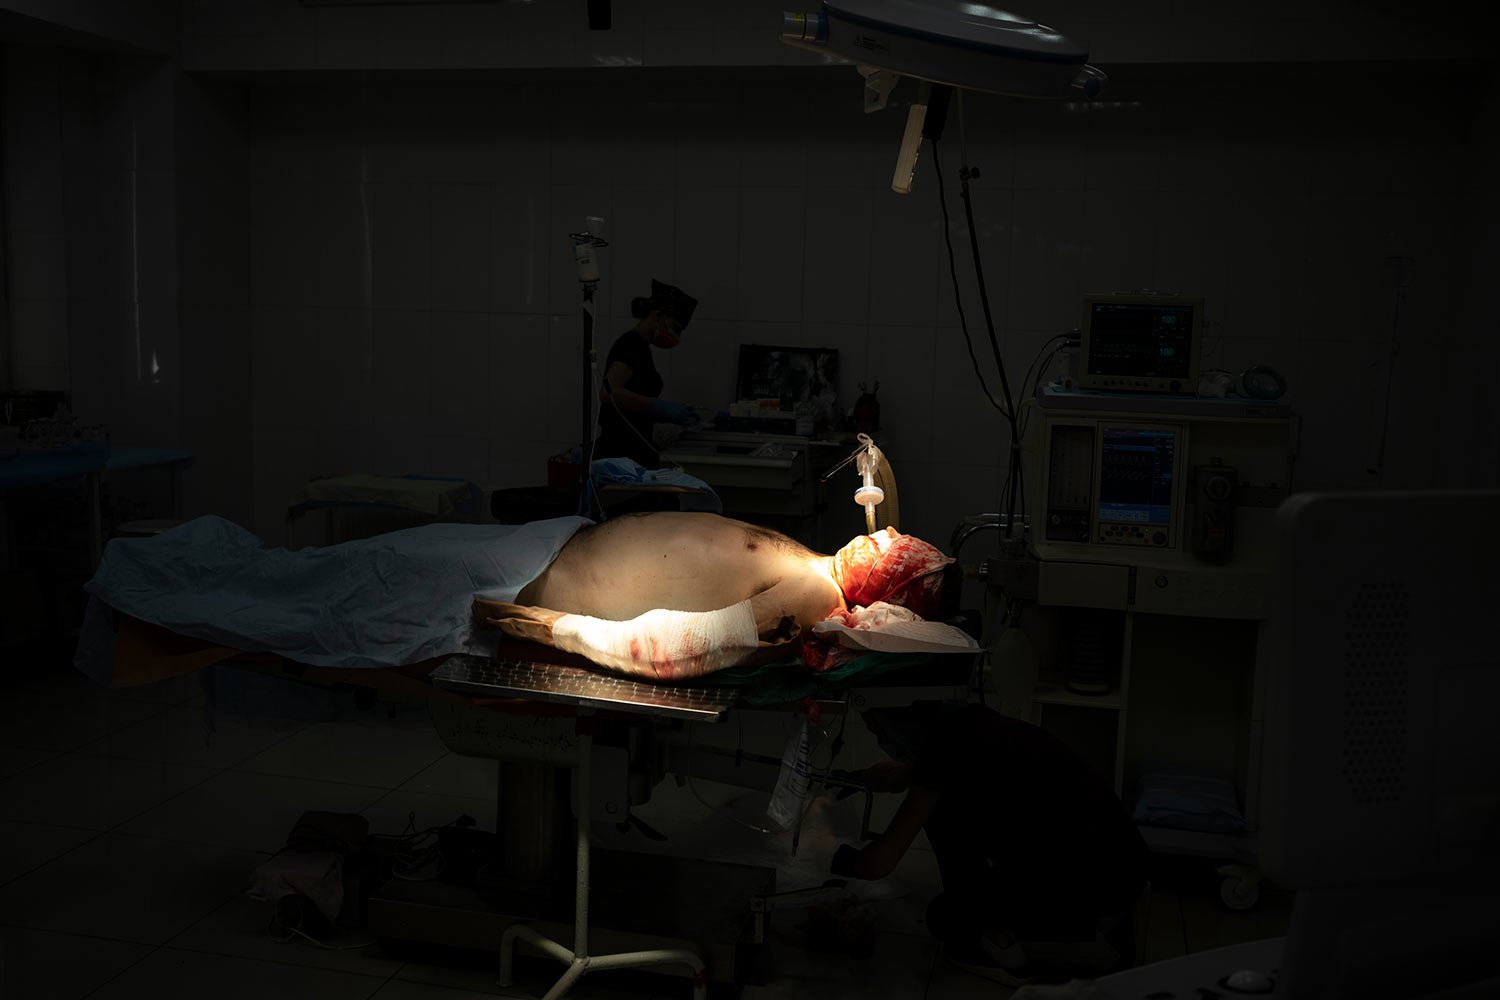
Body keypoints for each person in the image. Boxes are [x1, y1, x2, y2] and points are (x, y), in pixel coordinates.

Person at [828, 702, 1150, 983]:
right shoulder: (968, 723)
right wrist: (857, 778)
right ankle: (1082, 924)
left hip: (1098, 888)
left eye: (876, 730)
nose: (881, 740)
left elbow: (879, 864)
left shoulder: (942, 752)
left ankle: (1003, 939)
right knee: (947, 806)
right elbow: (904, 774)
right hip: (1123, 864)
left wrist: (831, 857)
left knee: (945, 918)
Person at [477, 515, 957, 681]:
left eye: (894, 550)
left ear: (884, 593)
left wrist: (553, 627)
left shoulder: (818, 593)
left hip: (536, 583)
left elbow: (682, 647)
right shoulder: (818, 563)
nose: (885, 534)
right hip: (551, 547)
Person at [594, 279, 701, 468]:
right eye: (675, 327)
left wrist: (664, 414)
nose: (676, 337)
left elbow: (633, 395)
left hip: (633, 447)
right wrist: (657, 407)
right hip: (621, 449)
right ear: (658, 315)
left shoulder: (641, 348)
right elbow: (608, 393)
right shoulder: (631, 345)